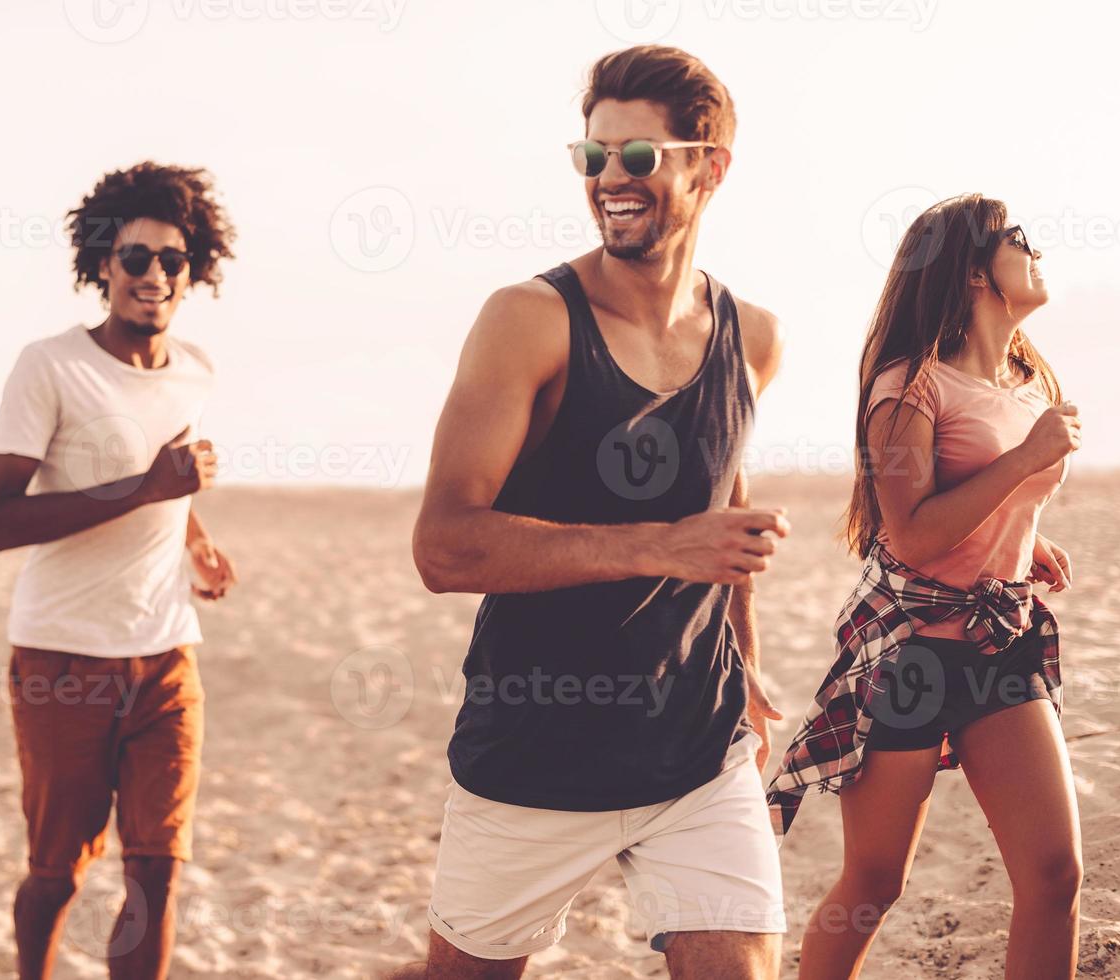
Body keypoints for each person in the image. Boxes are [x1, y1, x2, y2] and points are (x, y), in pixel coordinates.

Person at [391, 45, 790, 980]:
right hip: (532, 755)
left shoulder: (755, 339)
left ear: (708, 166)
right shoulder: (527, 318)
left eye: (638, 156)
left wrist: (750, 665)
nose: (610, 178)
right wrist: (662, 545)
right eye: (592, 156)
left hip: (697, 750)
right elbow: (443, 547)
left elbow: (720, 515)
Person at [766, 193, 1082, 979]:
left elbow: (977, 497)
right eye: (1018, 239)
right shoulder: (908, 387)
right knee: (874, 882)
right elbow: (908, 532)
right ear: (973, 271)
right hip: (910, 659)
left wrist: (1024, 537)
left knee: (1053, 875)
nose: (1035, 249)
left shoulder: (1025, 380)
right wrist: (1022, 462)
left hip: (1000, 640)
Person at [0, 162, 235, 980]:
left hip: (166, 657)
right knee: (57, 873)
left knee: (157, 869)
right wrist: (150, 487)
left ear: (193, 272)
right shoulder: (49, 366)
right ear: (102, 264)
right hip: (62, 659)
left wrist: (193, 539)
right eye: (134, 257)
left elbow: (166, 478)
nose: (152, 275)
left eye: (171, 259)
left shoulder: (195, 369)